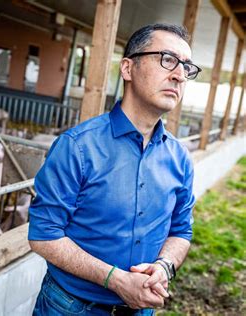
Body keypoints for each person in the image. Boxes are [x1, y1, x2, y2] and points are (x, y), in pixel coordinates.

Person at [28, 23, 199, 316]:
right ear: (128, 68)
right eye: (167, 59)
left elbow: (181, 230)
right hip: (70, 307)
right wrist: (116, 280)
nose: (179, 74)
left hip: (141, 310)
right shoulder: (77, 147)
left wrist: (164, 266)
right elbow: (44, 236)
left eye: (186, 66)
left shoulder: (180, 157)